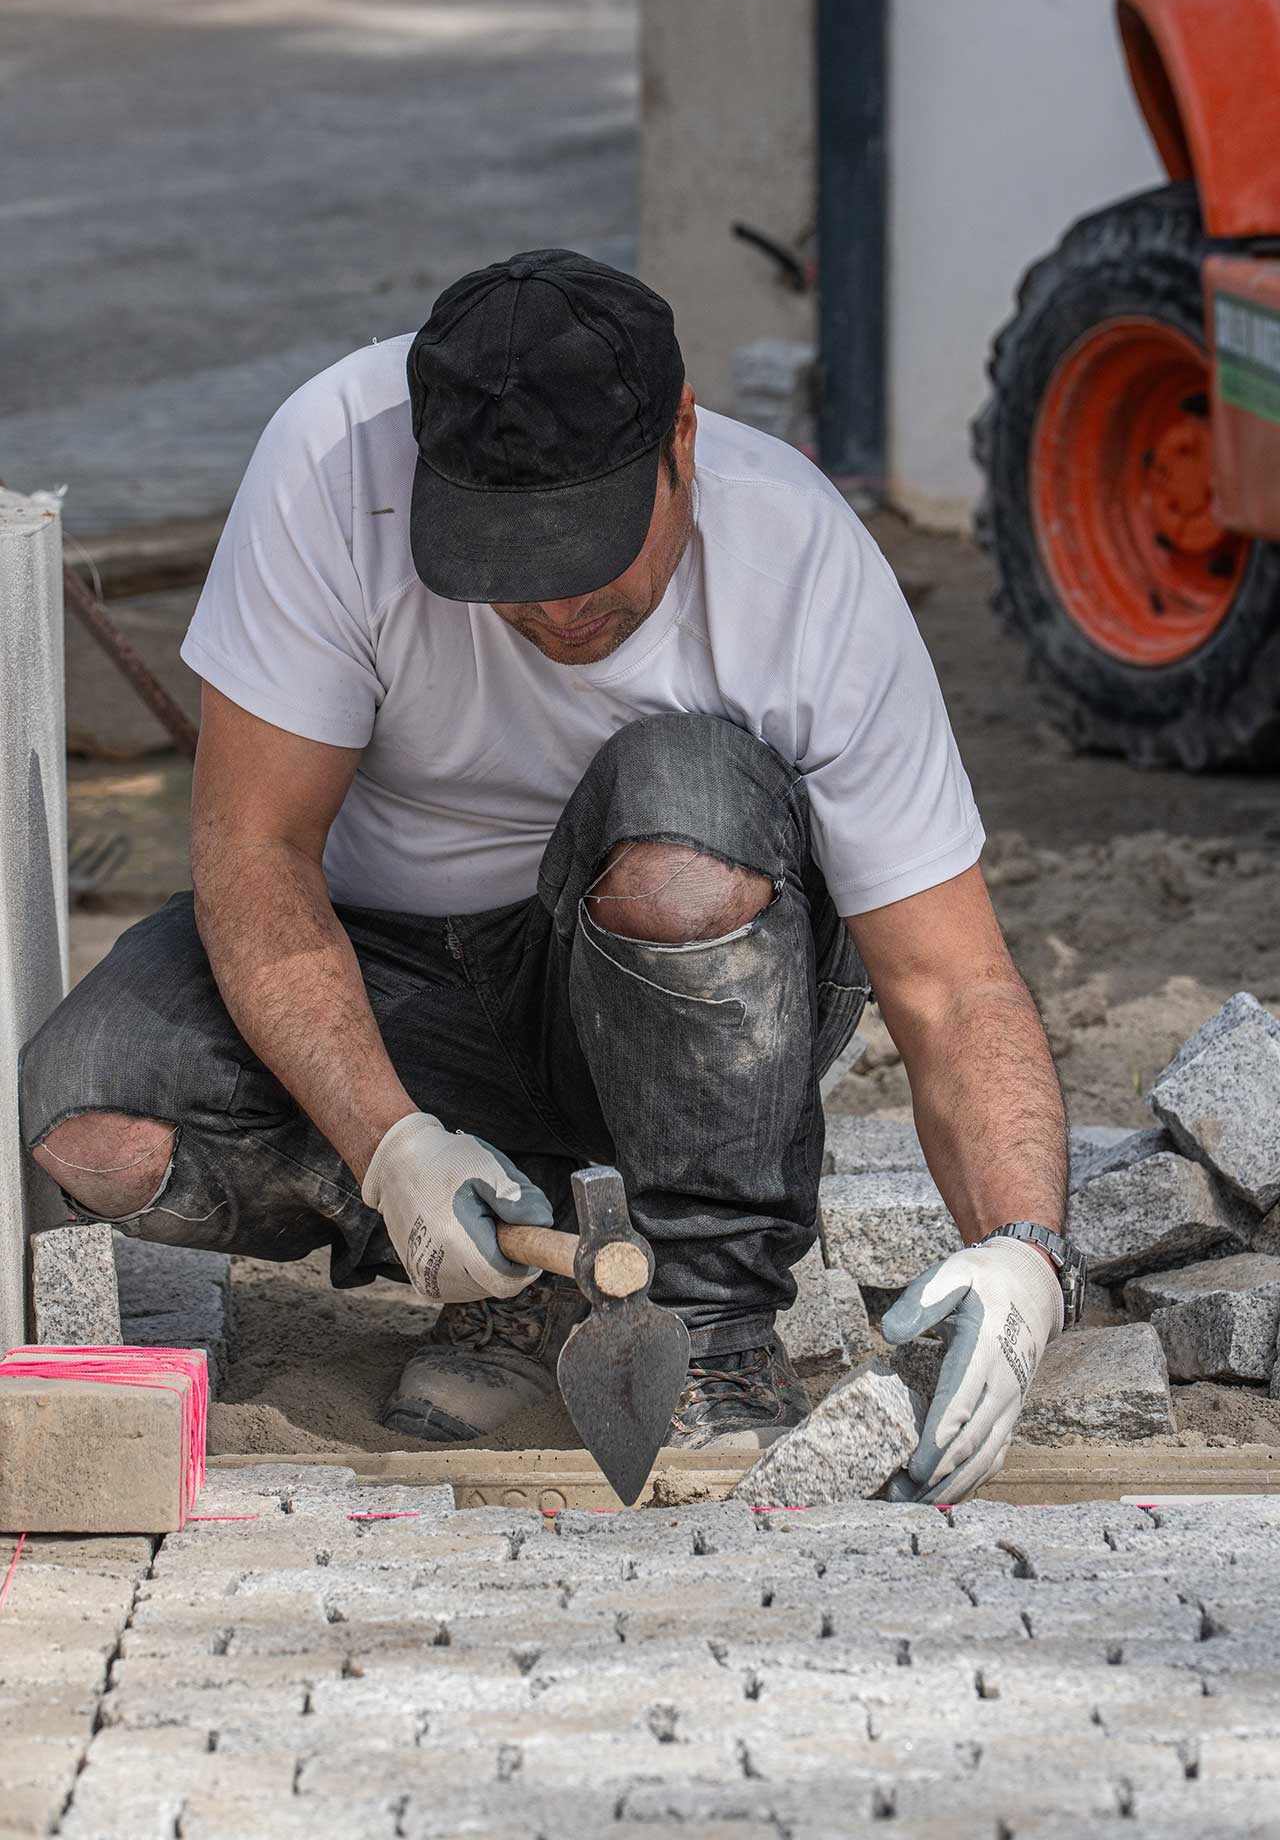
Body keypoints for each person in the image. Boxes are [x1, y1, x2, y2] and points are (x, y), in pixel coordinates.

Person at [20, 250, 1085, 1501]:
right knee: (94, 1124)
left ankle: (711, 1333)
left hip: (683, 995)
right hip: (391, 980)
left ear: (681, 437)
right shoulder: (329, 468)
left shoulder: (798, 561)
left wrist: (1023, 1250)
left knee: (682, 809)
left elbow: (951, 985)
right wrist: (388, 1144)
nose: (556, 602)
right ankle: (514, 1281)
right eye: (503, 561)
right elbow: (255, 853)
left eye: (589, 546)